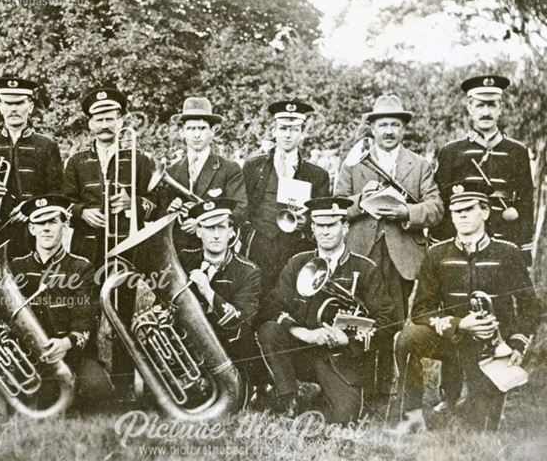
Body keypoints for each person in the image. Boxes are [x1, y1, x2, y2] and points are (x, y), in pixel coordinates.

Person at [392, 182, 539, 433]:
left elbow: (530, 307)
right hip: (451, 337)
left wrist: (517, 343)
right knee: (406, 339)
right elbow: (421, 310)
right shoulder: (437, 254)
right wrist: (460, 324)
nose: (461, 215)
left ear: (485, 211)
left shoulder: (507, 253)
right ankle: (412, 416)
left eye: (469, 209)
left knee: (479, 426)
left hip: (490, 345)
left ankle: (463, 397)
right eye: (455, 210)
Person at [333, 94, 443, 397]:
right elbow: (338, 204)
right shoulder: (354, 164)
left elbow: (436, 208)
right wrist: (362, 202)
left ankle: (388, 390)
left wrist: (406, 212)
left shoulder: (420, 165)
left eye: (395, 125)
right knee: (360, 319)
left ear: (403, 129)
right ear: (373, 128)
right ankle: (360, 388)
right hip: (362, 252)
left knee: (393, 321)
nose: (389, 131)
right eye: (383, 125)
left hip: (402, 254)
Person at [258, 197, 397, 423]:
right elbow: (271, 307)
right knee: (270, 330)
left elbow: (387, 319)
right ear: (312, 228)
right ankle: (289, 398)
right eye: (320, 226)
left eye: (331, 225)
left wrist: (348, 339)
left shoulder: (365, 268)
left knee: (345, 416)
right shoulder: (297, 263)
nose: (325, 232)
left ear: (345, 227)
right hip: (302, 349)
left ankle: (321, 396)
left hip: (341, 357)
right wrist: (302, 332)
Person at [61, 87, 158, 396]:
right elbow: (64, 202)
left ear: (120, 119)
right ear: (89, 123)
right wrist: (82, 212)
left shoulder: (138, 158)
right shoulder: (77, 161)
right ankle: (88, 384)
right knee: (83, 313)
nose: (104, 124)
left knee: (123, 315)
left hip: (126, 248)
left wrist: (133, 202)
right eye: (98, 118)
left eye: (111, 117)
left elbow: (155, 200)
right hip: (87, 249)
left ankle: (124, 384)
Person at [4, 195, 112, 408]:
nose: (46, 229)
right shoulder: (17, 267)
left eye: (52, 222)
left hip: (70, 353)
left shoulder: (81, 267)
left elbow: (84, 319)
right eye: (39, 223)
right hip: (29, 355)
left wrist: (66, 343)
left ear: (65, 226)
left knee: (99, 390)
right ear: (31, 229)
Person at [433, 75, 535, 264]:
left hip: (506, 240)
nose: (486, 112)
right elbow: (442, 204)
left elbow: (526, 202)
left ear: (500, 109)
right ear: (469, 108)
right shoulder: (451, 152)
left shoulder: (517, 151)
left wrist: (524, 248)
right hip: (462, 244)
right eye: (480, 106)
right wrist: (440, 246)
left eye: (492, 105)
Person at [242, 99, 330, 295]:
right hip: (258, 246)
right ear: (274, 131)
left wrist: (305, 221)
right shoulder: (253, 167)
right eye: (283, 128)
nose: (288, 135)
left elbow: (321, 215)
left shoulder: (318, 175)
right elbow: (243, 207)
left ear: (302, 133)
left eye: (294, 129)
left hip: (295, 248)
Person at [179, 197, 265, 396]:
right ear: (199, 232)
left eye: (221, 228)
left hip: (229, 349)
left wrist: (207, 291)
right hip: (189, 346)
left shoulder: (248, 271)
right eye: (209, 228)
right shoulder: (183, 260)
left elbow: (240, 323)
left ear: (231, 232)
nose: (216, 235)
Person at [0, 76, 64, 257]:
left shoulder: (47, 145)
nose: (13, 109)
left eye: (20, 103)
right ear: (0, 107)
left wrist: (31, 207)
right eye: (8, 103)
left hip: (33, 230)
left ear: (30, 107)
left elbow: (57, 192)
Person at [158, 97, 247, 252]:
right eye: (191, 129)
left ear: (212, 132)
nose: (197, 135)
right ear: (181, 132)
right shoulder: (171, 172)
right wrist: (169, 210)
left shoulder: (229, 168)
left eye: (202, 128)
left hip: (214, 251)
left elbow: (240, 210)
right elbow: (158, 213)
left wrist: (202, 223)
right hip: (178, 250)